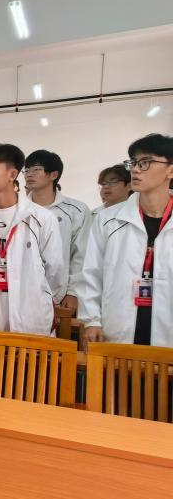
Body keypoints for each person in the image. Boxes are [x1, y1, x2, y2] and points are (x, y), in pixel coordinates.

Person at [80, 134, 173, 346]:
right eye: (133, 162)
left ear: (171, 170)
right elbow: (91, 274)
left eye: (145, 162)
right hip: (117, 329)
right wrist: (92, 321)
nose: (136, 169)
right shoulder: (107, 219)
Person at [0, 145, 64, 335]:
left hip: (30, 308)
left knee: (29, 352)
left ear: (12, 174)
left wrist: (37, 292)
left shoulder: (42, 218)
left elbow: (55, 271)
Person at [23, 149, 91, 311]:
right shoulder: (18, 210)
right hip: (21, 291)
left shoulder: (76, 210)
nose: (29, 174)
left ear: (54, 175)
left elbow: (81, 254)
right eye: (27, 170)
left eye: (36, 169)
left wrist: (73, 292)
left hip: (59, 294)